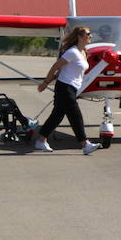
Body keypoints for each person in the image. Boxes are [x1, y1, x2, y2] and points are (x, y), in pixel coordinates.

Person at [33, 25, 100, 155]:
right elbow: (56, 67)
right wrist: (46, 82)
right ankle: (85, 144)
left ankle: (41, 141)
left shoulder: (83, 52)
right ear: (80, 37)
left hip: (72, 88)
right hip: (65, 87)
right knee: (76, 115)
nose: (90, 36)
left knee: (57, 116)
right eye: (88, 34)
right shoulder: (72, 52)